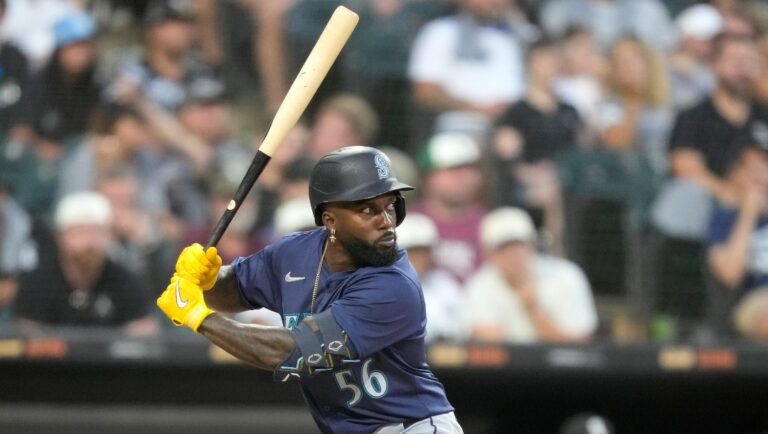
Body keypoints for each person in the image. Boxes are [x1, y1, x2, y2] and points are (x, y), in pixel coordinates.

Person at [157, 146, 462, 433]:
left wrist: (200, 318)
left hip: (412, 426)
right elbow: (234, 291)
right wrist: (210, 280)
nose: (386, 222)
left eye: (390, 206)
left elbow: (291, 352)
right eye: (367, 210)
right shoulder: (294, 254)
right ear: (330, 220)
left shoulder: (393, 286)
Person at [14, 191, 158, 335]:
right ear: (61, 238)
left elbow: (144, 336)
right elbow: (26, 338)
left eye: (98, 232)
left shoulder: (126, 281)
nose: (91, 242)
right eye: (81, 232)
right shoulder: (37, 284)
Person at [465, 207, 598, 343]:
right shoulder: (480, 284)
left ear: (531, 245)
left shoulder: (566, 276)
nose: (513, 255)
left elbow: (580, 346)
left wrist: (533, 309)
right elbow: (491, 348)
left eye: (518, 245)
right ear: (489, 254)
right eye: (503, 248)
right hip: (510, 365)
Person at [707, 143, 768, 339]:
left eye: (764, 168)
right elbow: (731, 273)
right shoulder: (724, 220)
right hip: (755, 300)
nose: (761, 177)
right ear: (735, 175)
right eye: (753, 170)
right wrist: (748, 213)